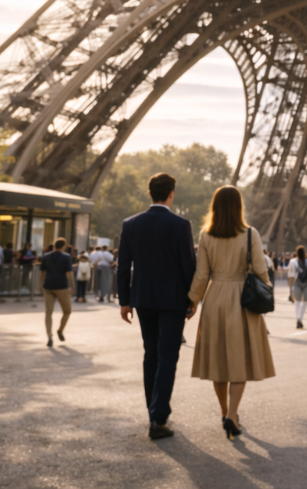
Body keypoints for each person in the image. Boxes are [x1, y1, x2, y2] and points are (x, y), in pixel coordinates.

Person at [187, 186, 275, 440]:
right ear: (239, 207)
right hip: (241, 300)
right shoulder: (250, 234)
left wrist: (193, 301)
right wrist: (266, 289)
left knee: (218, 360)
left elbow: (202, 274)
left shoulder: (205, 235)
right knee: (239, 359)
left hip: (214, 298)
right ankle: (232, 415)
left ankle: (224, 411)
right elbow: (260, 269)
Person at [117, 173, 196, 440]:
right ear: (171, 194)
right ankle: (159, 416)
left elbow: (123, 265)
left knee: (150, 354)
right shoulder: (180, 225)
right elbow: (188, 266)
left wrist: (124, 301)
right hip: (173, 300)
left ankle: (153, 411)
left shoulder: (131, 224)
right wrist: (192, 300)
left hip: (143, 299)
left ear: (149, 192)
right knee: (168, 357)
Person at [40, 237, 74, 346]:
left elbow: (42, 272)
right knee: (67, 311)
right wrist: (72, 285)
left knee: (48, 311)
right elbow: (69, 273)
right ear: (64, 246)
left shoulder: (46, 256)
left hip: (48, 286)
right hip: (61, 286)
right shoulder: (66, 257)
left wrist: (40, 285)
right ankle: (60, 330)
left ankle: (49, 335)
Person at [288, 245, 307, 329]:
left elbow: (291, 275)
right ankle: (300, 319)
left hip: (296, 282)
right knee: (305, 301)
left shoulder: (293, 261)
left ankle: (298, 319)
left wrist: (290, 289)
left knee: (297, 301)